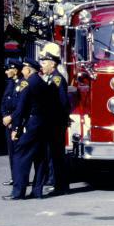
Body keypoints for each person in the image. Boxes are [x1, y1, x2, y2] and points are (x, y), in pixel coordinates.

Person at [5, 59, 52, 200]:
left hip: (30, 124)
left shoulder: (28, 84)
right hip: (43, 124)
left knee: (20, 157)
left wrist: (16, 128)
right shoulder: (42, 83)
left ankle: (18, 192)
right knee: (40, 158)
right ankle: (37, 191)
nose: (23, 71)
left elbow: (21, 108)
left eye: (25, 69)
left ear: (30, 70)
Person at [38, 42, 72, 196]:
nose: (42, 65)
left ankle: (62, 185)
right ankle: (58, 183)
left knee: (57, 155)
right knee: (53, 154)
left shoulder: (57, 79)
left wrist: (60, 118)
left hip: (56, 123)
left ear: (52, 64)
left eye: (44, 62)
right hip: (53, 122)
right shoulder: (51, 77)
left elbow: (63, 102)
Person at [0, 59, 22, 187]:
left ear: (15, 70)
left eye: (9, 69)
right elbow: (4, 102)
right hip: (8, 122)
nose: (6, 72)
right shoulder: (10, 84)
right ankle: (14, 177)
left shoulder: (20, 84)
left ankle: (19, 178)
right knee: (11, 152)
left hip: (15, 122)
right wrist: (4, 116)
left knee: (18, 152)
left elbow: (20, 106)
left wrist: (11, 118)